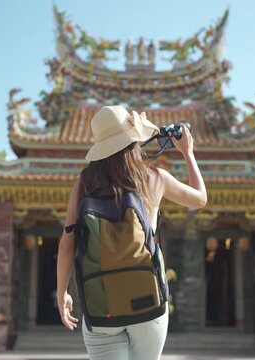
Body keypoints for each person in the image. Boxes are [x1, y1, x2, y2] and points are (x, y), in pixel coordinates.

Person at [56, 105, 207, 360]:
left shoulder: (85, 182)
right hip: (148, 303)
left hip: (101, 305)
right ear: (134, 140)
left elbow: (67, 244)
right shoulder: (155, 178)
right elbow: (200, 198)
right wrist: (187, 153)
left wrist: (62, 293)